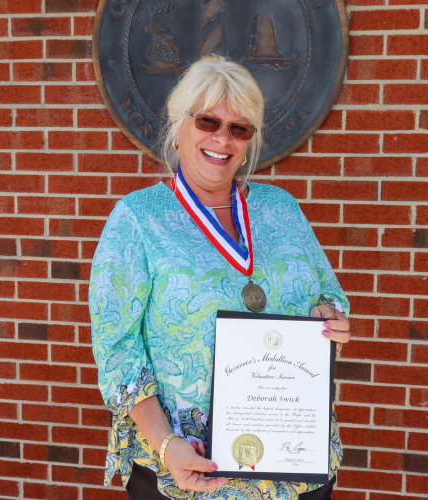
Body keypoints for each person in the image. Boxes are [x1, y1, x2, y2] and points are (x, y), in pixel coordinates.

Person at [89, 54, 351, 500]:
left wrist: (331, 317)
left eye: (239, 127)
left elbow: (328, 295)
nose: (222, 139)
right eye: (207, 121)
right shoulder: (138, 219)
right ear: (177, 125)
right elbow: (117, 352)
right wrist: (167, 445)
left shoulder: (280, 209)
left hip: (293, 464)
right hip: (190, 471)